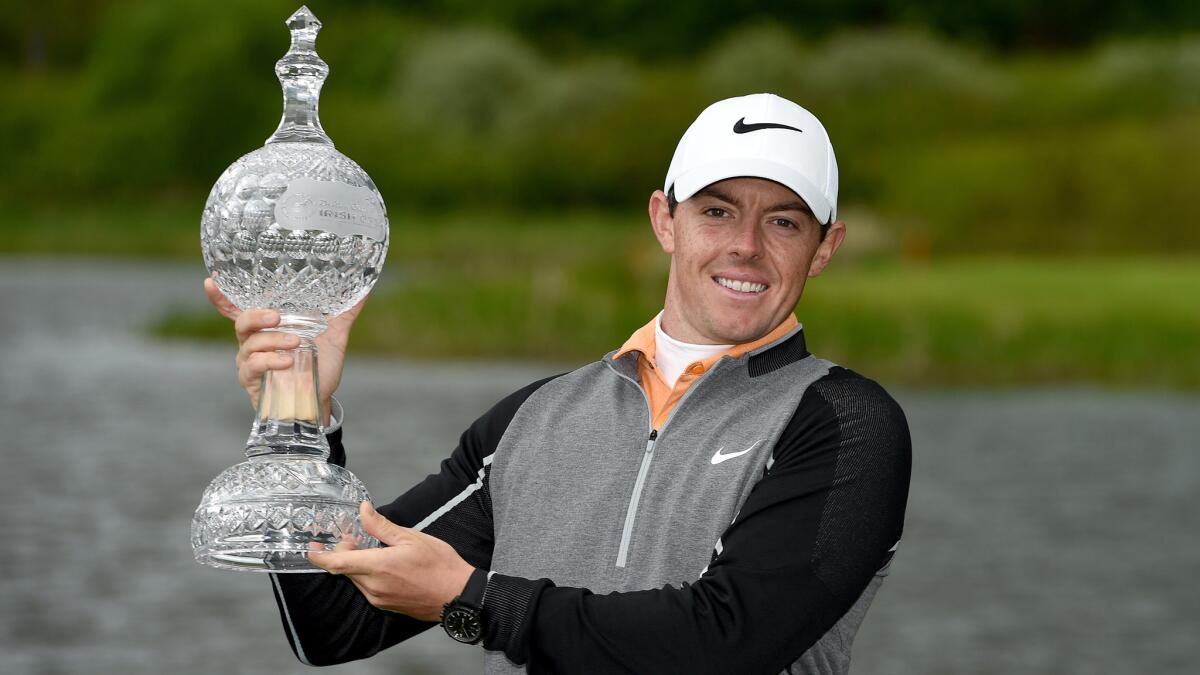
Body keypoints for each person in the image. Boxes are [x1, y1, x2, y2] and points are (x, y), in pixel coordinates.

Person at [205, 93, 912, 674]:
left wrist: (470, 598)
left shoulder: (846, 424)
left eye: (783, 221)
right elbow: (332, 628)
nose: (746, 246)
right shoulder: (533, 419)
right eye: (717, 209)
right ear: (665, 219)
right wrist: (300, 421)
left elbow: (724, 644)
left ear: (824, 249)